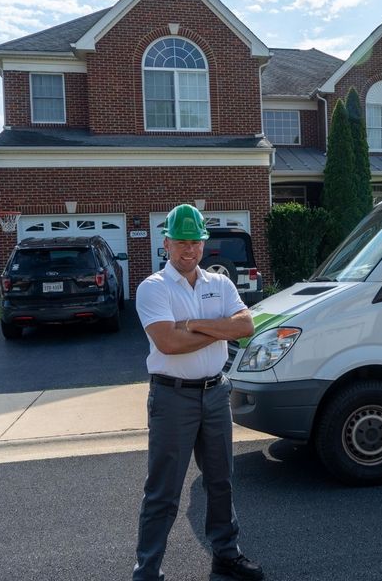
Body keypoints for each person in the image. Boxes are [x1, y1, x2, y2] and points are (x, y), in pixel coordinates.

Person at [132, 203, 263, 581]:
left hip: (215, 393)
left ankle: (226, 553)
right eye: (182, 242)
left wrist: (192, 324)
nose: (189, 250)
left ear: (203, 244)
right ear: (167, 243)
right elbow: (168, 343)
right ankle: (148, 571)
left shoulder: (219, 283)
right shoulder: (152, 288)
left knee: (220, 481)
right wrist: (216, 328)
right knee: (163, 490)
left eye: (196, 242)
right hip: (172, 398)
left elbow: (245, 326)